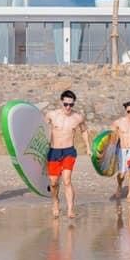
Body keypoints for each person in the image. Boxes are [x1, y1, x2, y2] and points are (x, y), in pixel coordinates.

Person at [45, 89, 90, 218]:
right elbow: (40, 128)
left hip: (69, 151)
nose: (68, 107)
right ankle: (55, 201)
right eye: (66, 104)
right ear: (61, 102)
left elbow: (84, 131)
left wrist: (88, 147)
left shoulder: (78, 117)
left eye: (71, 104)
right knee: (53, 183)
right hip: (53, 151)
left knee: (67, 180)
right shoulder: (51, 115)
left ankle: (70, 209)